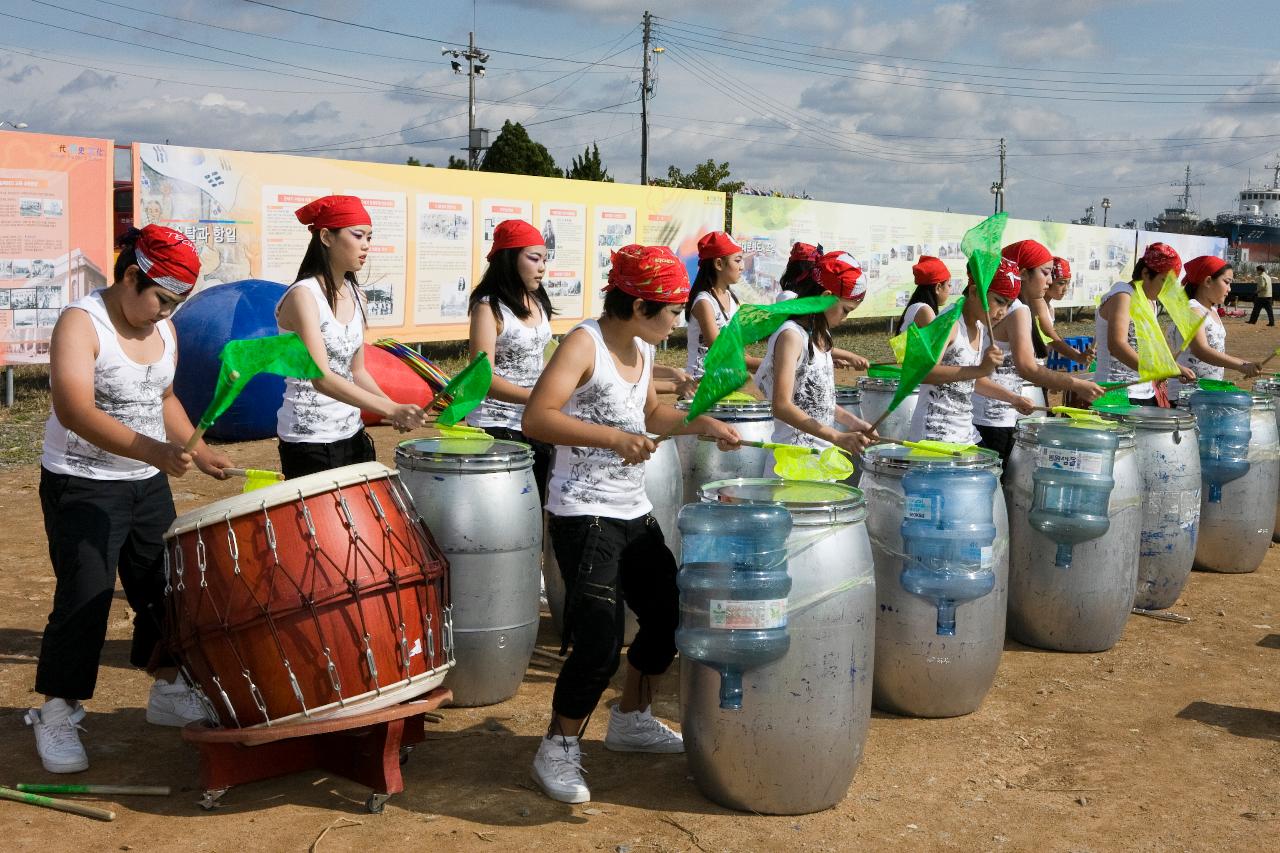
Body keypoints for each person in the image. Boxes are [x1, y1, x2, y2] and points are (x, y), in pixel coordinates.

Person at [522, 244, 741, 804]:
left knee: (669, 614)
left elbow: (649, 416)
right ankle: (558, 746)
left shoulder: (642, 350)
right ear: (640, 305)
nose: (677, 320)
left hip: (632, 511)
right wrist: (615, 440)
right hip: (584, 513)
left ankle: (631, 717)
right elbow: (538, 417)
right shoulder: (584, 343)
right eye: (670, 310)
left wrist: (703, 423)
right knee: (598, 640)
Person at [26, 225, 235, 774]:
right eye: (159, 299)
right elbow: (74, 410)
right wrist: (154, 450)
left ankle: (167, 689)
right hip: (82, 482)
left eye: (174, 305)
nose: (164, 314)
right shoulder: (81, 322)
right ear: (128, 277)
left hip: (145, 481)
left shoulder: (164, 330)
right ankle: (57, 709)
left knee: (163, 587)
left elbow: (161, 395)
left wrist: (198, 448)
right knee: (87, 593)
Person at [275, 195, 426, 479]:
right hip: (310, 442)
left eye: (369, 237)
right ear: (326, 237)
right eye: (358, 235)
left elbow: (356, 371)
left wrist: (395, 409)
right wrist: (392, 408)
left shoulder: (359, 296)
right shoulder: (303, 296)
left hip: (352, 432)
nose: (366, 245)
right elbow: (322, 378)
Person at [972, 240, 1104, 457]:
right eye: (1046, 273)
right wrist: (1076, 384)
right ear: (1023, 274)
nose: (1050, 281)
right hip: (994, 417)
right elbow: (1028, 368)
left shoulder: (1001, 306)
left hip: (984, 412)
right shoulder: (1017, 309)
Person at [755, 251, 878, 458]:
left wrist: (854, 422)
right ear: (826, 297)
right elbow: (782, 405)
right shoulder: (792, 336)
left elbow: (816, 401)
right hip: (794, 460)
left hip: (821, 457)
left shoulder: (821, 337)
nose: (846, 318)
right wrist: (837, 437)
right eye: (845, 310)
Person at [466, 219, 555, 502]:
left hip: (535, 418)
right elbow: (482, 378)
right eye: (534, 258)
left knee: (540, 502)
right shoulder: (488, 307)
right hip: (497, 425)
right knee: (510, 506)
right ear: (509, 259)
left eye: (545, 259)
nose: (542, 267)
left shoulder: (538, 301)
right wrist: (536, 398)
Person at [909, 258, 1031, 446]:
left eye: (1009, 304)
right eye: (999, 301)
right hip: (935, 435)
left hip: (965, 433)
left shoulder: (979, 325)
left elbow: (972, 379)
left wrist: (1013, 399)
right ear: (974, 292)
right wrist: (980, 369)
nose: (1003, 312)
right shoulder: (949, 322)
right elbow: (921, 372)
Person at [1095, 243, 1197, 407]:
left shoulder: (1150, 302)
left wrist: (1173, 367)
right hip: (1116, 392)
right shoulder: (1123, 295)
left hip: (1144, 392)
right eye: (1164, 280)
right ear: (1146, 274)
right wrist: (1166, 370)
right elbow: (1117, 345)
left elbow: (1148, 349)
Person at [1167, 256, 1260, 400]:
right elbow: (1201, 350)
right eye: (1226, 282)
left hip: (1207, 392)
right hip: (1187, 395)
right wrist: (1242, 365)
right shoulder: (1192, 309)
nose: (1229, 289)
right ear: (1208, 281)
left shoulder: (1212, 310)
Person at [777, 241, 869, 369]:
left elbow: (818, 349)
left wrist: (828, 360)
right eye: (845, 310)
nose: (845, 317)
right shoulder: (792, 332)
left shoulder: (818, 324)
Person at [685, 231, 758, 379]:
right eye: (737, 260)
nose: (742, 267)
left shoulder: (732, 299)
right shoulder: (704, 302)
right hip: (700, 386)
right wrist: (762, 364)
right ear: (719, 264)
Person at [1029, 257, 1093, 366]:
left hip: (1037, 363)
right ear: (1048, 281)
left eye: (1068, 283)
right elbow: (1048, 335)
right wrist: (1076, 356)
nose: (1065, 289)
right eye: (1061, 283)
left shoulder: (1050, 307)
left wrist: (1072, 351)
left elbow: (1050, 340)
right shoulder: (1036, 302)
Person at [897, 255, 953, 332]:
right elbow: (939, 342)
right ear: (938, 287)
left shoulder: (918, 307)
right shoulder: (925, 310)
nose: (950, 289)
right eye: (949, 285)